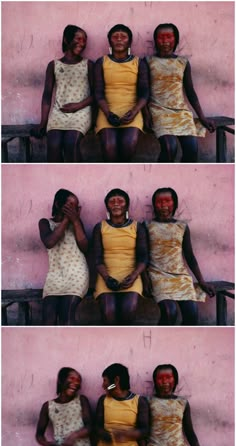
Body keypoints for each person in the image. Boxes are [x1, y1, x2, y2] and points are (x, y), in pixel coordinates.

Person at [144, 187, 215, 325]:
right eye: (159, 202)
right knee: (170, 312)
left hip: (180, 276)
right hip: (158, 275)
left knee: (192, 315)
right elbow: (142, 256)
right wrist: (145, 279)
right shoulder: (147, 226)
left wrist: (202, 282)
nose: (163, 206)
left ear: (174, 204)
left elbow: (190, 257)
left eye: (167, 201)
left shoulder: (182, 226)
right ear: (154, 205)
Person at [145, 23, 215, 162]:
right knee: (170, 148)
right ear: (155, 40)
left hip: (181, 112)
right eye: (161, 38)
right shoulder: (148, 61)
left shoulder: (183, 62)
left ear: (175, 40)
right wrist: (146, 115)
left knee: (192, 150)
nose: (165, 41)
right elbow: (143, 92)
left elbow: (190, 92)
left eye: (169, 37)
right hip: (158, 111)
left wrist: (202, 117)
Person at [141, 364, 216, 446]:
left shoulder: (182, 403)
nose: (165, 381)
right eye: (160, 378)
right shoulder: (147, 402)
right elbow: (142, 432)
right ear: (155, 381)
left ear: (175, 380)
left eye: (168, 377)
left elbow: (190, 433)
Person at [32, 25, 93, 162]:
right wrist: (43, 121)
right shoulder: (53, 65)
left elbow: (96, 94)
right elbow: (47, 95)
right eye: (79, 39)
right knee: (53, 144)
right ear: (66, 40)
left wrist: (77, 106)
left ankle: (76, 177)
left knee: (71, 142)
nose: (82, 43)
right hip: (59, 111)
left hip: (82, 110)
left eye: (85, 40)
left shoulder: (88, 65)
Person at [93, 188, 148, 325]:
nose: (116, 204)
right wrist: (107, 278)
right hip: (106, 275)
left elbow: (143, 258)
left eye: (120, 201)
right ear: (107, 206)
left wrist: (134, 275)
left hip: (131, 275)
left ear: (127, 205)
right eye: (112, 201)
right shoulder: (100, 227)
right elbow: (97, 259)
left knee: (128, 311)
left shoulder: (137, 227)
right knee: (108, 313)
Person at [95, 24, 149, 162]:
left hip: (132, 109)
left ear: (129, 41)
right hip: (107, 109)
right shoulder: (101, 62)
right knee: (108, 147)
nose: (119, 40)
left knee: (129, 145)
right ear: (110, 41)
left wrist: (135, 111)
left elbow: (144, 93)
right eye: (115, 37)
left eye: (123, 37)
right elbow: (98, 93)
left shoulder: (139, 63)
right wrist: (108, 113)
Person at [94, 363, 149, 446]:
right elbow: (96, 427)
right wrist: (106, 435)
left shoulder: (139, 401)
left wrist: (128, 434)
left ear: (116, 380)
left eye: (105, 381)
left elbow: (145, 430)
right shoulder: (104, 400)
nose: (103, 385)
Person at [39, 188, 89, 325]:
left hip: (77, 274)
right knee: (48, 319)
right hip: (55, 275)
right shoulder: (45, 223)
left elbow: (85, 247)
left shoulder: (77, 223)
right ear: (57, 205)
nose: (73, 209)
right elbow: (50, 242)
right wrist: (67, 219)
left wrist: (76, 221)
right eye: (69, 205)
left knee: (66, 315)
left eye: (75, 206)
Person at [36, 367, 92, 446]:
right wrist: (47, 444)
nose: (75, 383)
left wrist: (73, 437)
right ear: (61, 380)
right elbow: (39, 434)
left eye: (78, 380)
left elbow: (90, 427)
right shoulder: (48, 406)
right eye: (72, 378)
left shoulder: (81, 400)